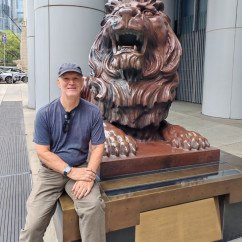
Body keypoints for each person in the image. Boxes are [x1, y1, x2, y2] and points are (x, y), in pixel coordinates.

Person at [19, 63, 106, 242]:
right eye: (66, 79)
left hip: (81, 168)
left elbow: (98, 147)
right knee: (33, 226)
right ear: (59, 83)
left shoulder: (93, 112)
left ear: (82, 83)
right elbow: (43, 153)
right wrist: (70, 171)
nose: (71, 83)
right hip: (51, 172)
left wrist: (89, 176)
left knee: (93, 208)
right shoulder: (45, 113)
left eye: (75, 79)